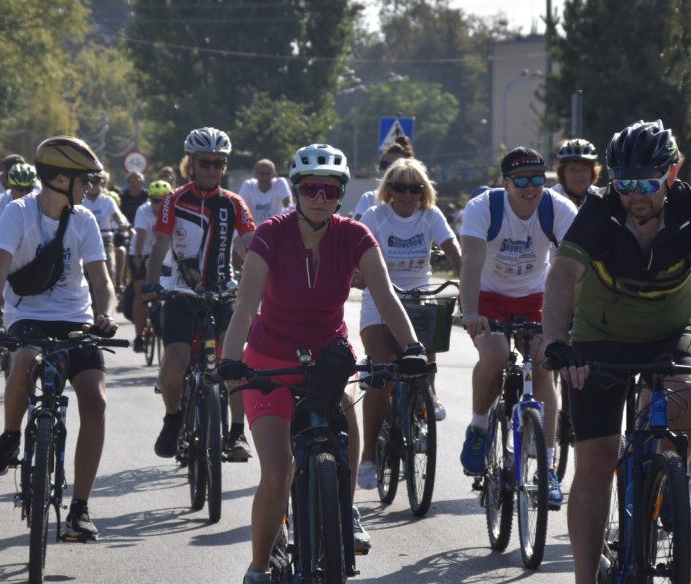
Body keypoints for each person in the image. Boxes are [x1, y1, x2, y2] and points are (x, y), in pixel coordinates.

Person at [541, 119, 691, 584]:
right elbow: (563, 277)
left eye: (647, 183)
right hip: (600, 336)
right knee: (594, 461)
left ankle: (663, 482)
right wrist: (557, 344)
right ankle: (585, 579)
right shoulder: (599, 210)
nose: (636, 195)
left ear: (671, 174)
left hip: (673, 331)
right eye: (624, 183)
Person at [219, 143, 427, 584]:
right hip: (268, 364)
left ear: (340, 195)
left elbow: (385, 296)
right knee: (278, 472)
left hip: (330, 359)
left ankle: (344, 510)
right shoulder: (271, 235)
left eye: (330, 191)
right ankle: (258, 568)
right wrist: (231, 360)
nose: (320, 197)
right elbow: (245, 305)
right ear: (296, 191)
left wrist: (412, 348)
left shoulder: (354, 236)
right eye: (311, 188)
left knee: (346, 433)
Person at [0, 136, 119, 542]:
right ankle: (10, 437)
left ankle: (80, 510)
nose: (89, 187)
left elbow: (101, 280)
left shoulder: (85, 220)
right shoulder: (17, 213)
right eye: (83, 179)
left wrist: (105, 314)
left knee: (96, 399)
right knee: (23, 361)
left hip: (77, 319)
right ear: (58, 179)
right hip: (29, 317)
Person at [457, 146, 577, 510]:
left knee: (544, 364)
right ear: (505, 183)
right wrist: (472, 312)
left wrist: (574, 313)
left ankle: (549, 466)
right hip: (488, 297)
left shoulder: (558, 209)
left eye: (538, 179)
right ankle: (479, 428)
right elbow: (471, 264)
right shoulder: (483, 208)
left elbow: (575, 264)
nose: (530, 187)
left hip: (537, 297)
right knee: (493, 355)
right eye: (521, 180)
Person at [142, 127, 256, 462]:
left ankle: (237, 433)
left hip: (224, 294)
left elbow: (251, 247)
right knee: (175, 361)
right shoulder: (174, 200)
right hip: (182, 293)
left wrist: (269, 281)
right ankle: (173, 417)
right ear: (190, 163)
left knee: (236, 359)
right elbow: (159, 244)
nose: (211, 170)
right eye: (204, 162)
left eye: (218, 164)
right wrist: (151, 283)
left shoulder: (234, 203)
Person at [355, 157, 461, 491]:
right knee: (383, 372)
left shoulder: (430, 216)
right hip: (379, 301)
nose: (406, 195)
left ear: (423, 192)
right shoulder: (375, 216)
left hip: (420, 299)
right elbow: (353, 255)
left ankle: (426, 395)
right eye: (399, 188)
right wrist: (356, 277)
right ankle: (369, 457)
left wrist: (470, 288)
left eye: (414, 189)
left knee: (427, 348)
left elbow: (454, 252)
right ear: (388, 190)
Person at [129, 179, 171, 352]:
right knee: (141, 292)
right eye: (155, 200)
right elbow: (140, 235)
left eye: (163, 200)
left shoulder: (173, 210)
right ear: (150, 200)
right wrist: (138, 256)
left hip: (165, 258)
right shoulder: (143, 210)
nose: (159, 204)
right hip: (142, 253)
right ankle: (139, 336)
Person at [0, 162, 39, 259]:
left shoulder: (41, 201)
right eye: (20, 189)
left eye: (29, 189)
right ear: (10, 186)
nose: (25, 193)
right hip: (6, 255)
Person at [351, 135, 414, 220]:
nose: (389, 171)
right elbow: (357, 230)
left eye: (395, 167)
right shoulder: (369, 199)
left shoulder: (416, 200)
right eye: (385, 165)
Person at [551, 138, 602, 209]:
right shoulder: (549, 200)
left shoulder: (601, 200)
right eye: (572, 169)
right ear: (562, 173)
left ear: (593, 172)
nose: (578, 175)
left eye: (584, 169)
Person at [237, 159, 291, 224]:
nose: (264, 177)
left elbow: (288, 206)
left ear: (274, 175)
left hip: (276, 229)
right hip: (253, 230)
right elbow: (240, 208)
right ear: (255, 174)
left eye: (268, 174)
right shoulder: (248, 185)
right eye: (261, 174)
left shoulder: (280, 183)